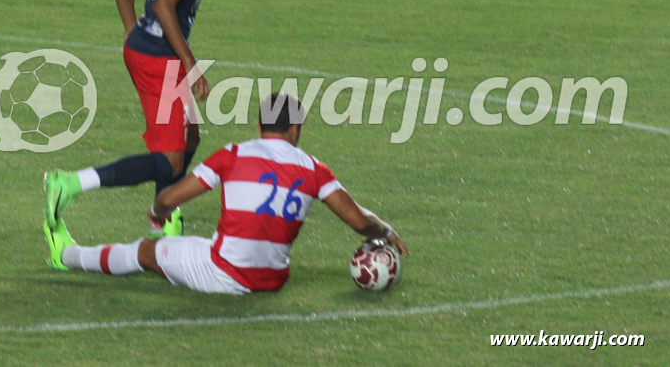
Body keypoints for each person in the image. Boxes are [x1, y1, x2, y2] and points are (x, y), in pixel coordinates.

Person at [44, 0, 257, 238]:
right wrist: (190, 64)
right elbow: (163, 4)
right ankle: (71, 183)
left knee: (188, 139)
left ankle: (165, 217)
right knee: (171, 159)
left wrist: (131, 30)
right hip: (160, 61)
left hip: (145, 49)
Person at [43, 93, 409, 294]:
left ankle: (66, 256)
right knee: (207, 243)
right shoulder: (315, 168)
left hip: (223, 274)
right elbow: (360, 221)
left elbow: (171, 198)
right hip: (273, 280)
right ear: (295, 128)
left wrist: (157, 210)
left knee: (145, 250)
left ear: (260, 125)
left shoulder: (233, 155)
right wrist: (387, 231)